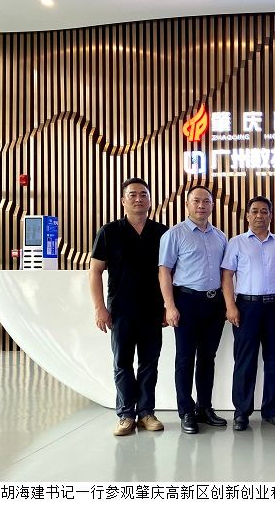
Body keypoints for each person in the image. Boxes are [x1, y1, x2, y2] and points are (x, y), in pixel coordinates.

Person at [89, 177, 168, 436]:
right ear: (123, 200)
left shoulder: (162, 233)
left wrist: (168, 306)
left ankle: (146, 413)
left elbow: (169, 273)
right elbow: (95, 271)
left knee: (149, 363)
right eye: (132, 194)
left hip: (153, 310)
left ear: (150, 201)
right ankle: (125, 415)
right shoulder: (109, 232)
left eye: (143, 194)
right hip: (120, 310)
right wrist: (100, 308)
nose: (138, 199)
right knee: (122, 362)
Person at [222, 196, 275, 431]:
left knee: (273, 359)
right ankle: (241, 413)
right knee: (245, 360)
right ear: (247, 215)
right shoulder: (236, 243)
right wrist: (230, 306)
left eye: (264, 211)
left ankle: (271, 410)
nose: (259, 215)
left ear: (270, 216)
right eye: (254, 211)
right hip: (246, 307)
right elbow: (227, 276)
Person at [159, 185, 228, 435]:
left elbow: (225, 273)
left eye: (206, 201)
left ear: (212, 206)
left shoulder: (220, 236)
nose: (201, 205)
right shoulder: (174, 234)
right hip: (186, 302)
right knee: (185, 359)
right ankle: (186, 411)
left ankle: (204, 408)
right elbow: (164, 271)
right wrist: (169, 306)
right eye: (196, 201)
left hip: (214, 303)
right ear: (187, 204)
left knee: (208, 358)